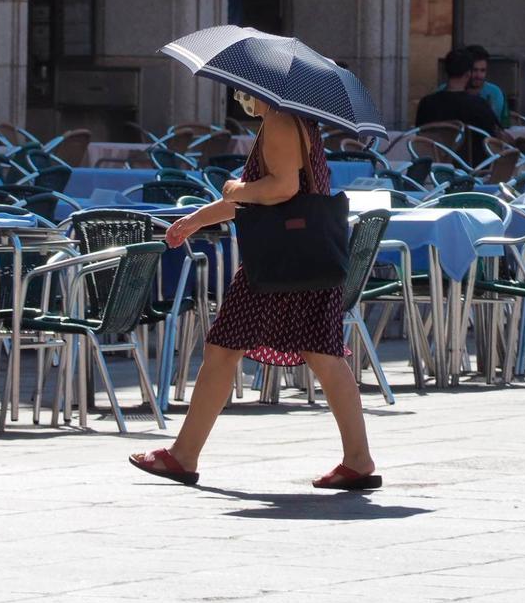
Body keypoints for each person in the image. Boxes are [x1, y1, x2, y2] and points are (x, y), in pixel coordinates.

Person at [129, 91, 380, 491]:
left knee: (227, 348)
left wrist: (233, 188)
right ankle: (358, 459)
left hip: (279, 262)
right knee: (322, 355)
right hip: (304, 256)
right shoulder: (301, 122)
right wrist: (197, 218)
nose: (237, 95)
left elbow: (278, 190)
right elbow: (273, 198)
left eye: (240, 90)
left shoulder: (280, 121)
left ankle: (183, 455)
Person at [415, 48, 505, 165]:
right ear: (468, 74)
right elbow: (496, 139)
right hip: (473, 170)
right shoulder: (479, 105)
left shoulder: (426, 103)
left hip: (435, 168)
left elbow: (419, 135)